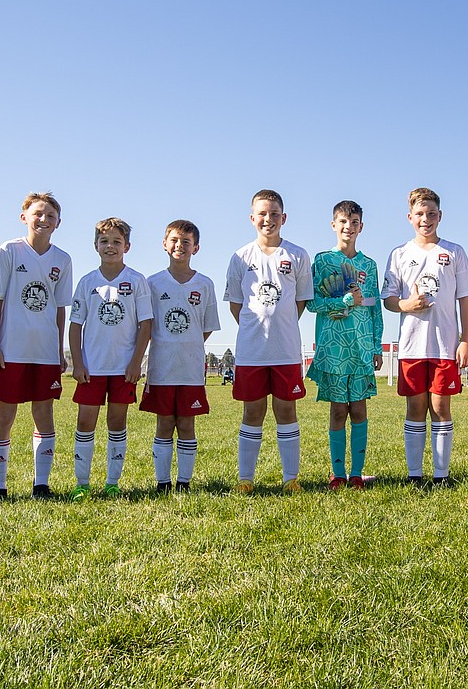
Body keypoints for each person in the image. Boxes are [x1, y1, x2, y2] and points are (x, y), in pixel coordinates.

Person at [382, 187, 468, 487]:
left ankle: (441, 475)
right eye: (420, 214)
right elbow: (388, 299)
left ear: (440, 216)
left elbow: (465, 299)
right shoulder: (399, 254)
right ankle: (414, 475)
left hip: (444, 346)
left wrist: (466, 339)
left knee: (440, 407)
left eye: (431, 214)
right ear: (410, 217)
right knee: (415, 408)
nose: (426, 219)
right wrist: (406, 305)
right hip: (411, 346)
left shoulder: (454, 252)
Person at [0, 192, 73, 500]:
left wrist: (60, 349)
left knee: (44, 412)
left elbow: (61, 308)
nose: (43, 219)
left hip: (45, 351)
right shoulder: (9, 251)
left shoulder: (62, 260)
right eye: (38, 213)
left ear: (58, 223)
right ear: (24, 217)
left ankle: (41, 484)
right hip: (11, 351)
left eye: (50, 216)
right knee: (4, 416)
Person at [223, 189, 312, 493]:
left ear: (283, 218)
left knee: (287, 411)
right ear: (252, 218)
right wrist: (254, 325)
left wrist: (280, 325)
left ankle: (291, 480)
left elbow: (300, 301)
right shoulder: (240, 257)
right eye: (262, 213)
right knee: (253, 412)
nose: (268, 219)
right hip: (252, 352)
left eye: (274, 214)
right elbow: (236, 304)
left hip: (285, 351)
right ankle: (246, 480)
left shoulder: (297, 255)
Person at [68, 218, 153, 499]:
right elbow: (76, 325)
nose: (110, 247)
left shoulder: (136, 281)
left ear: (126, 246)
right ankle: (82, 483)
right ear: (95, 246)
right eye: (104, 241)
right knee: (85, 423)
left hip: (122, 368)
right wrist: (77, 363)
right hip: (91, 368)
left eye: (117, 242)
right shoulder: (87, 282)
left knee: (117, 423)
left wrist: (136, 362)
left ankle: (112, 482)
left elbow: (146, 325)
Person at [305, 200, 384, 490]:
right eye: (342, 221)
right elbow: (312, 303)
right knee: (338, 410)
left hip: (361, 347)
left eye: (354, 222)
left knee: (360, 410)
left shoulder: (369, 265)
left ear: (361, 226)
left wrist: (376, 345)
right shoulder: (323, 260)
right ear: (333, 225)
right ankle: (338, 474)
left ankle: (357, 474)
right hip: (334, 349)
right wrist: (343, 302)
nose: (348, 227)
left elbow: (375, 307)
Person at [141, 219, 220, 492]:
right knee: (164, 422)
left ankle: (184, 482)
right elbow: (146, 325)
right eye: (174, 240)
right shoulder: (152, 283)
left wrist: (186, 343)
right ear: (164, 244)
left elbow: (206, 328)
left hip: (190, 368)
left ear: (195, 248)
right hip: (162, 367)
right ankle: (163, 482)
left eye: (186, 242)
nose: (179, 246)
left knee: (186, 422)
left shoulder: (205, 284)